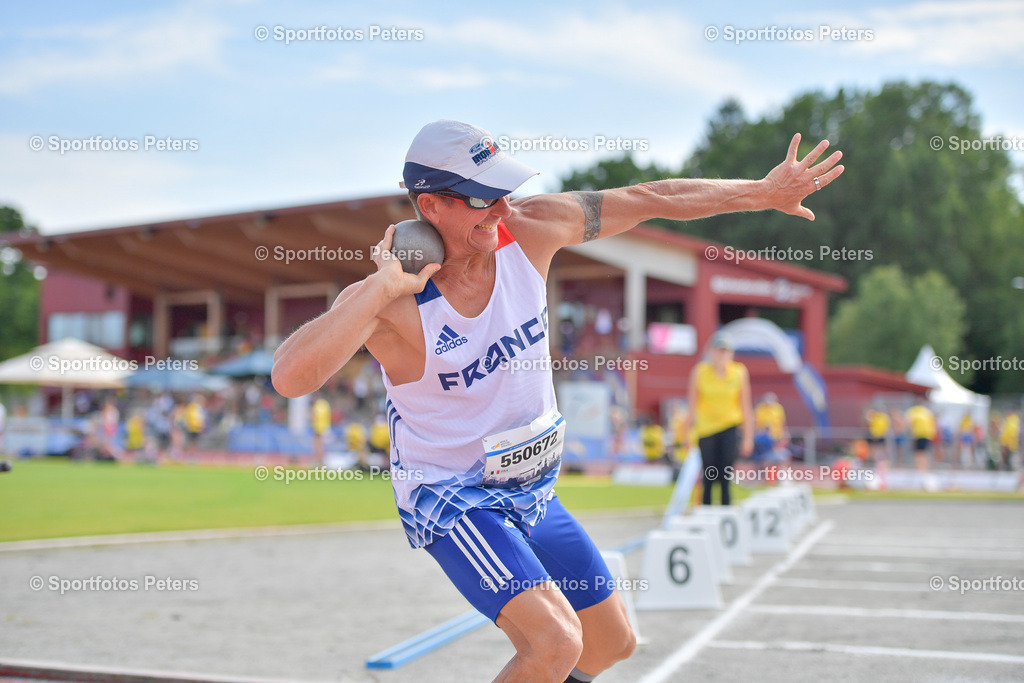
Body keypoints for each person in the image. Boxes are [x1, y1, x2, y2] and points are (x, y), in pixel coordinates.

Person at [271, 119, 843, 682]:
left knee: (612, 642)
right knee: (555, 643)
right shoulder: (395, 303)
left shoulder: (531, 228)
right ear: (431, 204)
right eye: (480, 199)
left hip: (531, 489)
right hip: (453, 496)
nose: (500, 209)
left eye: (503, 191)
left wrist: (762, 192)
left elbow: (648, 198)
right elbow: (290, 378)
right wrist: (378, 286)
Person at [681, 333, 755, 505]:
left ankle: (725, 509)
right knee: (708, 473)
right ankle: (705, 509)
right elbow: (691, 404)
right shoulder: (700, 372)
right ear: (711, 352)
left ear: (731, 353)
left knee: (725, 474)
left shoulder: (739, 372)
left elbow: (746, 406)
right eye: (718, 350)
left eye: (725, 351)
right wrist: (685, 433)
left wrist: (748, 438)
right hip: (706, 428)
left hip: (729, 426)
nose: (721, 355)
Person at [753, 392, 789, 481]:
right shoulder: (760, 409)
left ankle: (780, 476)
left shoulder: (778, 408)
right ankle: (762, 476)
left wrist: (785, 434)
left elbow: (782, 422)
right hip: (763, 438)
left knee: (782, 455)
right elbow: (756, 423)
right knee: (765, 457)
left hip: (776, 436)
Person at [906, 400, 936, 472]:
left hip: (919, 435)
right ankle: (923, 468)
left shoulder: (914, 411)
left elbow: (908, 422)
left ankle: (921, 469)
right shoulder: (926, 412)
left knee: (919, 453)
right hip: (927, 435)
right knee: (923, 453)